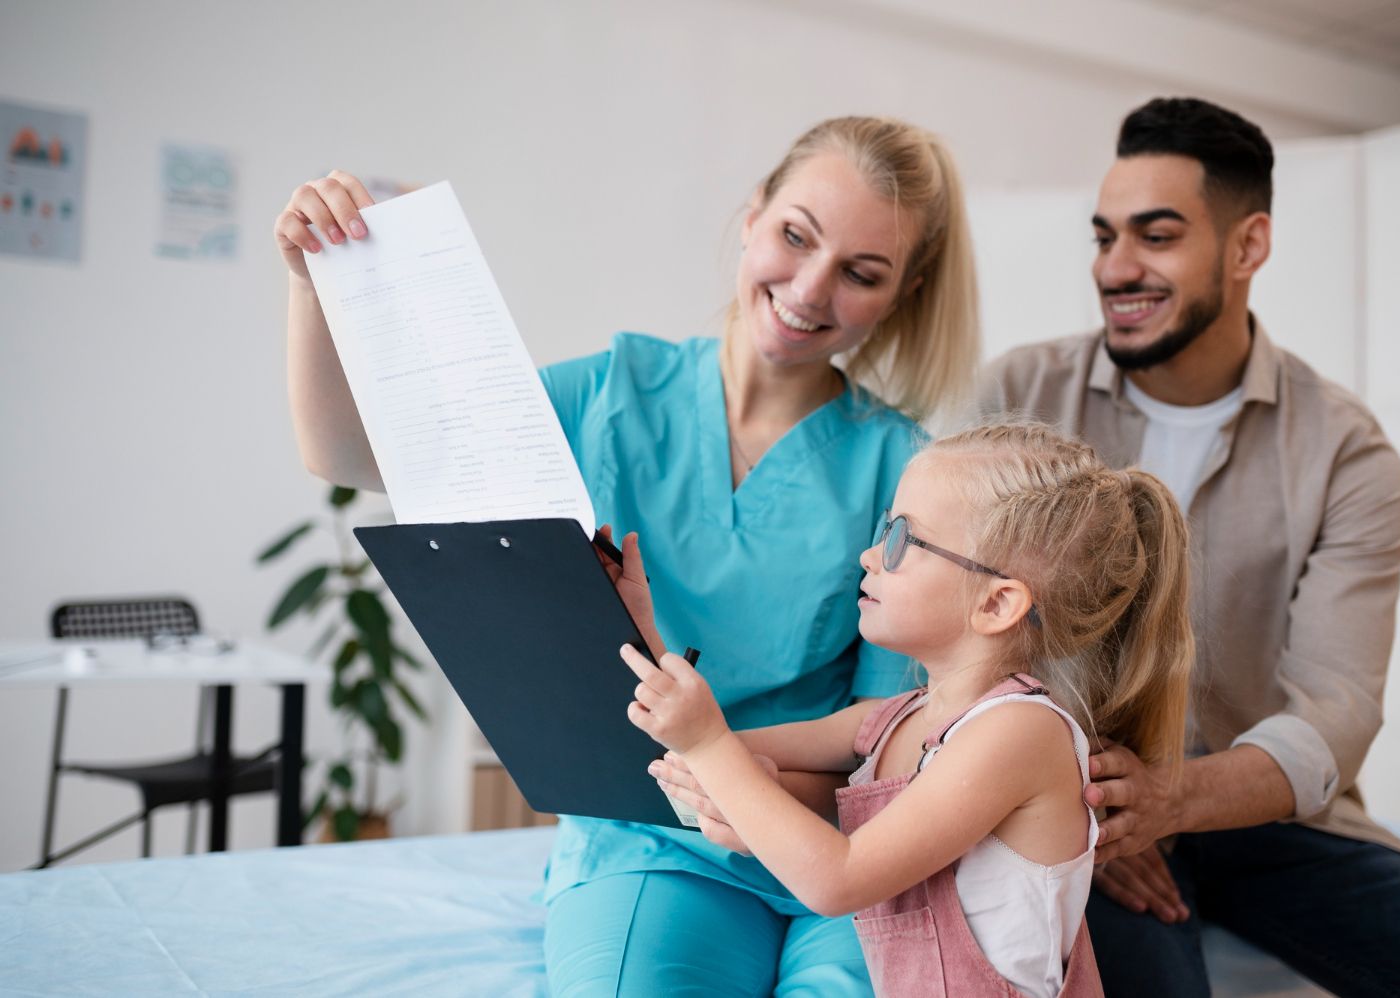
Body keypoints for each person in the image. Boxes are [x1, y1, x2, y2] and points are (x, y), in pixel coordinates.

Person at [274, 116, 980, 995]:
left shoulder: (900, 464)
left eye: (861, 273)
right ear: (753, 215)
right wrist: (314, 288)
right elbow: (356, 458)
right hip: (655, 839)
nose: (808, 286)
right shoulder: (613, 392)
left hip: (841, 843)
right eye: (795, 236)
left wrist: (742, 786)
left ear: (902, 294)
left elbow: (892, 740)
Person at [980, 96, 1400, 996]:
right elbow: (956, 631)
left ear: (1248, 246)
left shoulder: (1346, 450)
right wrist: (1077, 811)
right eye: (1104, 238)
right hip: (1071, 809)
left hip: (1258, 816)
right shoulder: (1020, 396)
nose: (1116, 268)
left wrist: (1175, 798)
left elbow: (1336, 709)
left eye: (1156, 236)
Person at [613, 422, 1194, 998]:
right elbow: (728, 755)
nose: (868, 555)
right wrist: (645, 635)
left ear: (996, 603)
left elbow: (838, 879)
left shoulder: (1021, 733)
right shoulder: (896, 719)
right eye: (881, 529)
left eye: (900, 540)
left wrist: (715, 752)